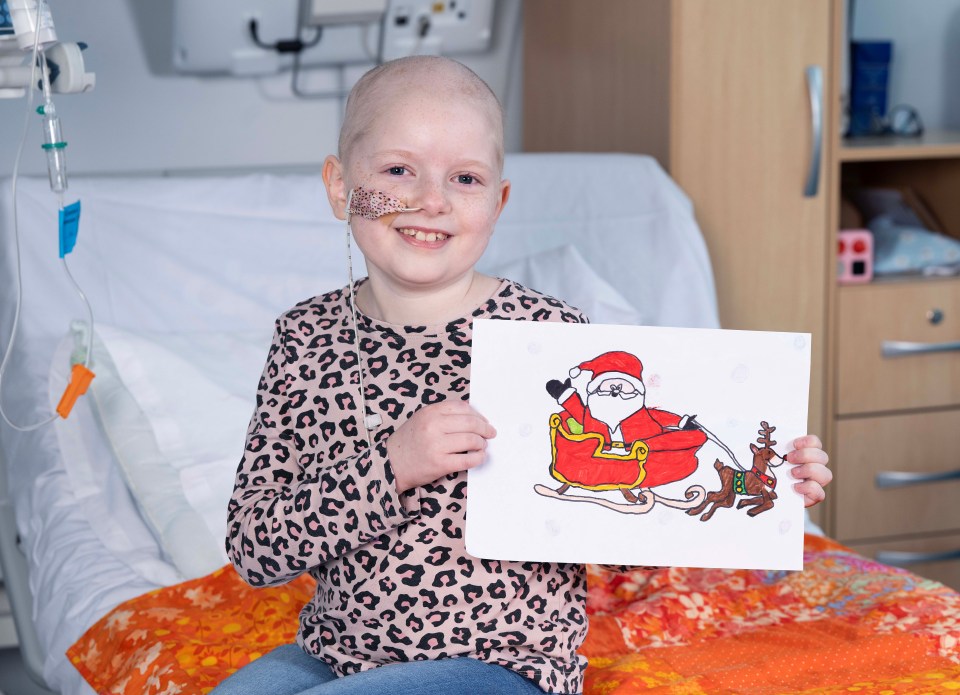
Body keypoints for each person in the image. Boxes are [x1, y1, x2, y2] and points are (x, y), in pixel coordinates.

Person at [214, 55, 832, 695]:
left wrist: (774, 483)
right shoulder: (305, 338)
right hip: (332, 654)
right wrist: (390, 467)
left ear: (498, 201)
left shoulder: (552, 340)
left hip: (501, 666)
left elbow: (627, 531)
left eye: (465, 178)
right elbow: (256, 549)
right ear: (340, 186)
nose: (432, 200)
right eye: (399, 170)